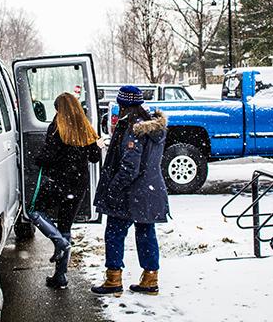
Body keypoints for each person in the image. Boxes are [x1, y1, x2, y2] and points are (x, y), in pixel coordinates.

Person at [91, 85, 169, 297]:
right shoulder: (152, 127)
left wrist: (113, 190)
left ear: (123, 104)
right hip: (149, 191)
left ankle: (113, 279)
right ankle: (150, 278)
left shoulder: (133, 129)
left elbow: (129, 168)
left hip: (131, 194)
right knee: (145, 233)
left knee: (114, 232)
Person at [28, 92, 103, 289]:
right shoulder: (85, 127)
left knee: (34, 211)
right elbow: (95, 157)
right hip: (78, 185)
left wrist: (36, 159)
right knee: (65, 226)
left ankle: (59, 242)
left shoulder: (56, 128)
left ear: (59, 110)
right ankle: (60, 276)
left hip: (59, 183)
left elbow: (47, 157)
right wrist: (96, 145)